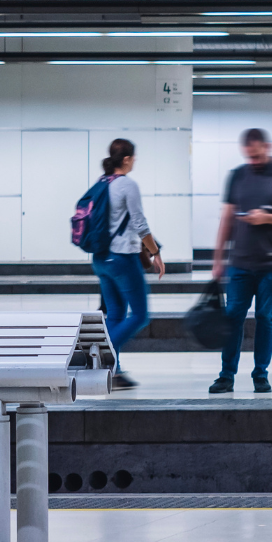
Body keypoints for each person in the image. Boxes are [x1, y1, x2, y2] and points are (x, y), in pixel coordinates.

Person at [209, 128, 272, 395]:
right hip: (240, 262)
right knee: (233, 318)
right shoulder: (237, 176)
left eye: (257, 155)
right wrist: (218, 258)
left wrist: (268, 218)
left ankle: (260, 374)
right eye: (248, 156)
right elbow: (227, 218)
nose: (253, 161)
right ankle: (226, 375)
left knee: (266, 317)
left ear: (268, 147)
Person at [92, 138, 165, 389]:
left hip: (101, 259)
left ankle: (112, 372)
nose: (134, 162)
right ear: (126, 159)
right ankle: (104, 358)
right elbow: (140, 224)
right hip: (123, 259)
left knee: (115, 314)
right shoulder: (127, 185)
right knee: (141, 315)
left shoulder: (101, 184)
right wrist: (155, 253)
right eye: (133, 158)